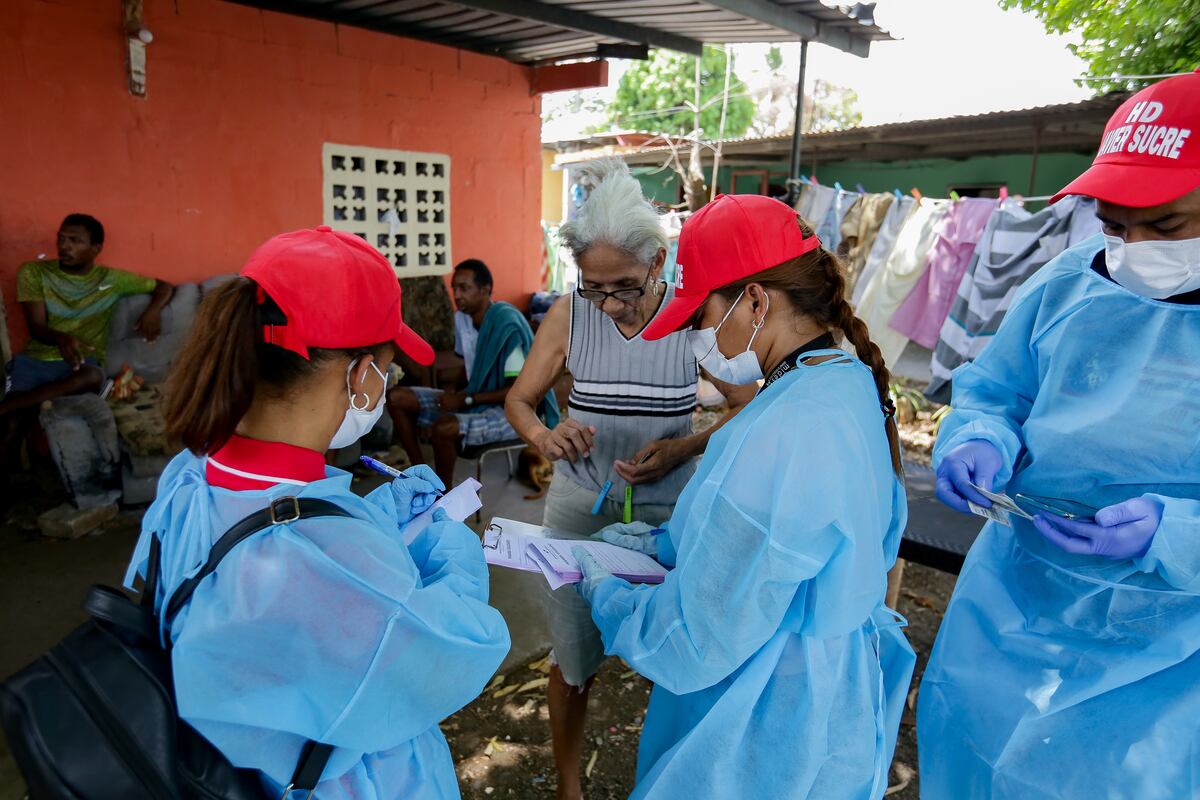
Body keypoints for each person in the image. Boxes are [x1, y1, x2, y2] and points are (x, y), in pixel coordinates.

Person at [122, 226, 510, 798]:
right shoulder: (316, 553)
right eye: (387, 368)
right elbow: (449, 653)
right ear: (359, 376)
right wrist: (455, 554)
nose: (386, 383)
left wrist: (367, 522)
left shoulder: (190, 474)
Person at [571, 193, 915, 799]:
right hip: (827, 692)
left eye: (702, 317)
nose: (699, 337)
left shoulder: (784, 427)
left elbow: (699, 637)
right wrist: (667, 544)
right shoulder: (843, 384)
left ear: (756, 300)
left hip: (760, 712)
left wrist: (612, 595)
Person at [917, 70, 1200, 799]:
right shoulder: (1071, 280)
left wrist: (1175, 533)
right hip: (1013, 596)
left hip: (1169, 643)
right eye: (1114, 224)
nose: (1135, 248)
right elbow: (997, 388)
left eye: (1165, 227)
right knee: (973, 756)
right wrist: (977, 437)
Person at [505, 160, 755, 800]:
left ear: (657, 262)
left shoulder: (692, 319)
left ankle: (673, 780)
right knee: (572, 657)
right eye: (594, 287)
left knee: (675, 653)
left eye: (624, 286)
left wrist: (683, 447)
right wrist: (546, 436)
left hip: (668, 518)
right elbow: (522, 401)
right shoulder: (569, 316)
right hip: (579, 507)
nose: (611, 303)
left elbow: (751, 401)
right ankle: (569, 788)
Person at [1, 214, 172, 485]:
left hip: (79, 365)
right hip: (37, 360)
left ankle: (7, 405)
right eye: (61, 238)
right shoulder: (34, 273)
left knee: (93, 376)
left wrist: (153, 311)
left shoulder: (112, 280)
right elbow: (36, 327)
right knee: (13, 426)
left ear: (96, 248)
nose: (64, 246)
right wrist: (62, 338)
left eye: (75, 241)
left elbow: (164, 287)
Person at [388, 258, 556, 487]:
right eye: (454, 288)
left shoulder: (505, 325)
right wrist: (449, 395)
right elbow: (469, 369)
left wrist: (464, 399)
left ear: (485, 290)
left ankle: (442, 493)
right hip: (473, 396)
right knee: (397, 397)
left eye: (464, 288)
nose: (456, 295)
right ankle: (420, 474)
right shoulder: (462, 319)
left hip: (509, 412)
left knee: (444, 427)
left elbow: (516, 391)